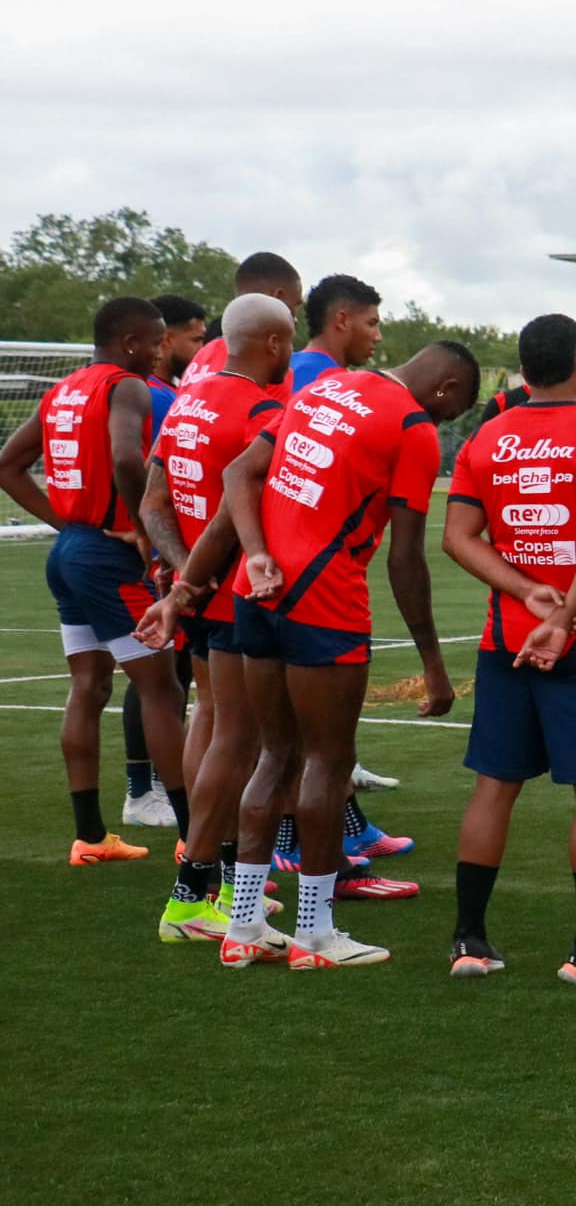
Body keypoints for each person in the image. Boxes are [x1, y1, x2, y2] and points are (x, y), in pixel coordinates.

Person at [147, 343, 479, 967]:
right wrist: (433, 662)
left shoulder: (321, 389)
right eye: (453, 409)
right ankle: (316, 934)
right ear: (448, 386)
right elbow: (405, 557)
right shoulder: (410, 425)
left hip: (253, 592)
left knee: (273, 756)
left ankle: (243, 928)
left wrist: (188, 588)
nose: (445, 423)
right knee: (327, 762)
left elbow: (236, 479)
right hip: (324, 599)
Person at [443, 315, 576, 984]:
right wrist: (563, 612)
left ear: (525, 373)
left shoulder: (489, 438)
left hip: (504, 643)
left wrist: (527, 593)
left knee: (494, 788)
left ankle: (469, 942)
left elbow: (459, 537)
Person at [0, 297, 190, 866]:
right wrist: (142, 530)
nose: (162, 349)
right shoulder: (124, 386)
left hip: (70, 552)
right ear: (132, 343)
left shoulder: (64, 390)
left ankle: (90, 835)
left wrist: (70, 524)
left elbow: (8, 465)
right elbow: (127, 461)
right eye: (157, 340)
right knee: (162, 689)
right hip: (109, 558)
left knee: (89, 685)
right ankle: (194, 839)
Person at [137, 293, 295, 941]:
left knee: (212, 724)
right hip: (232, 597)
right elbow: (238, 514)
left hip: (200, 594)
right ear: (276, 345)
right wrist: (196, 584)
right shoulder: (264, 411)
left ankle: (224, 883)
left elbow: (152, 505)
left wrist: (179, 576)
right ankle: (191, 894)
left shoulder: (186, 402)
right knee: (242, 740)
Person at [271, 272, 412, 853]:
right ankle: (299, 851)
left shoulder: (312, 377)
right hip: (305, 575)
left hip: (274, 568)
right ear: (343, 320)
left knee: (287, 737)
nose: (377, 337)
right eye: (373, 322)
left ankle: (343, 830)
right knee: (293, 739)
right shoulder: (318, 380)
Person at [116, 293, 209, 829]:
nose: (199, 348)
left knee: (163, 672)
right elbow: (137, 467)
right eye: (193, 338)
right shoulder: (152, 395)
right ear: (165, 339)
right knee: (156, 670)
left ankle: (154, 783)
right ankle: (143, 788)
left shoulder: (165, 394)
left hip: (164, 547)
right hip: (156, 551)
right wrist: (145, 530)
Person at [181, 252, 302, 401]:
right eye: (295, 306)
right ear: (278, 297)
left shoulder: (203, 355)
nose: (295, 319)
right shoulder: (267, 362)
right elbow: (270, 422)